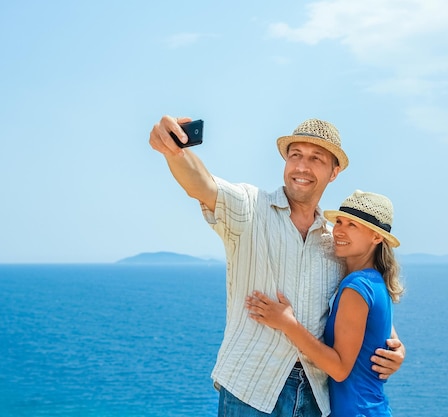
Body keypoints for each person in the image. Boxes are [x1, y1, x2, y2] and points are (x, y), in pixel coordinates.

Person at [149, 116, 405, 417]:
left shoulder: (334, 240)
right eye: (295, 155)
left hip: (315, 397)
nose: (301, 166)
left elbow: (362, 295)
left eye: (316, 158)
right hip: (251, 389)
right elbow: (202, 186)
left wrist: (394, 343)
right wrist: (173, 151)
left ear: (334, 172)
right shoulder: (250, 207)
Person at [246, 190, 403, 416]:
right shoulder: (374, 282)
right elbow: (386, 336)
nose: (339, 230)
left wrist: (287, 323)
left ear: (376, 237)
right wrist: (399, 350)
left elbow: (339, 369)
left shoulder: (356, 288)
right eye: (339, 221)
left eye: (353, 225)